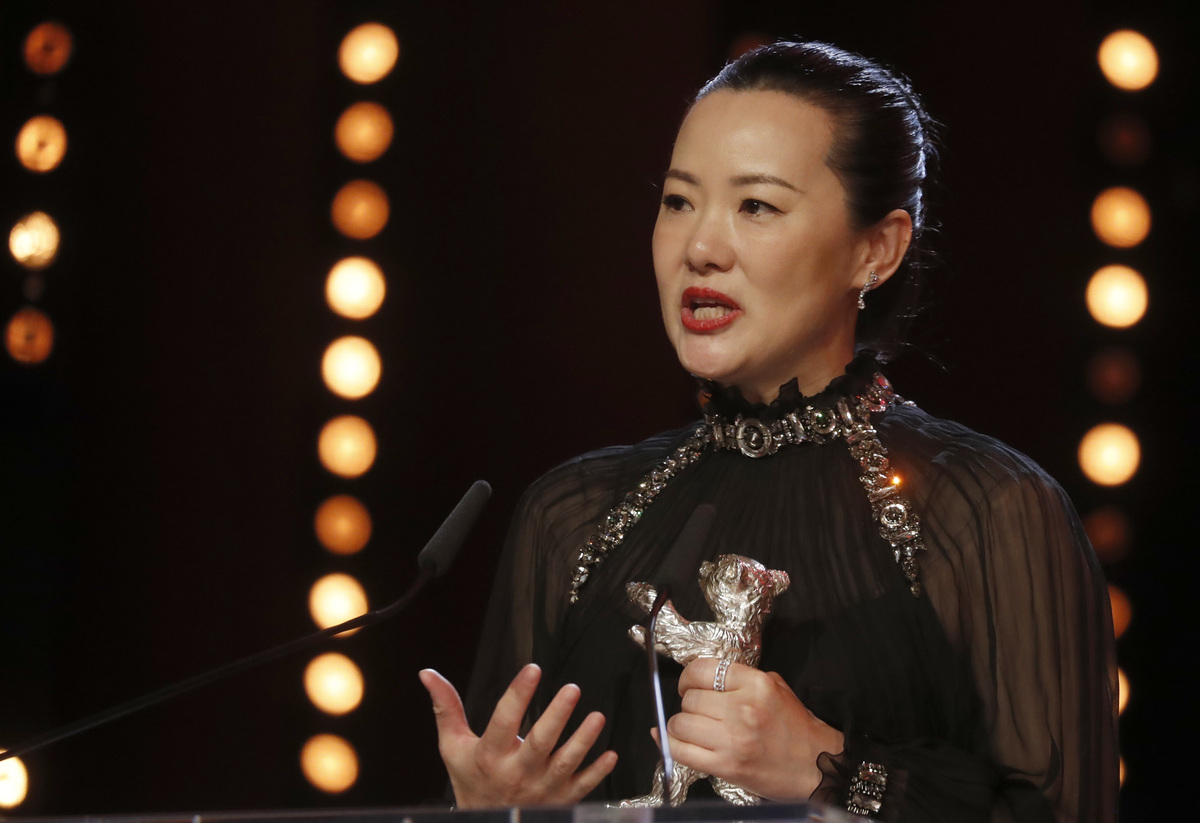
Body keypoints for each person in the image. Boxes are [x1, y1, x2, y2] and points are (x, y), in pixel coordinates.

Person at [418, 41, 1119, 821]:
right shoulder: (571, 513)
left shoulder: (986, 510)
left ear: (876, 249)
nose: (700, 248)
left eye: (756, 206)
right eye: (678, 201)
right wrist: (492, 814)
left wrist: (829, 766)